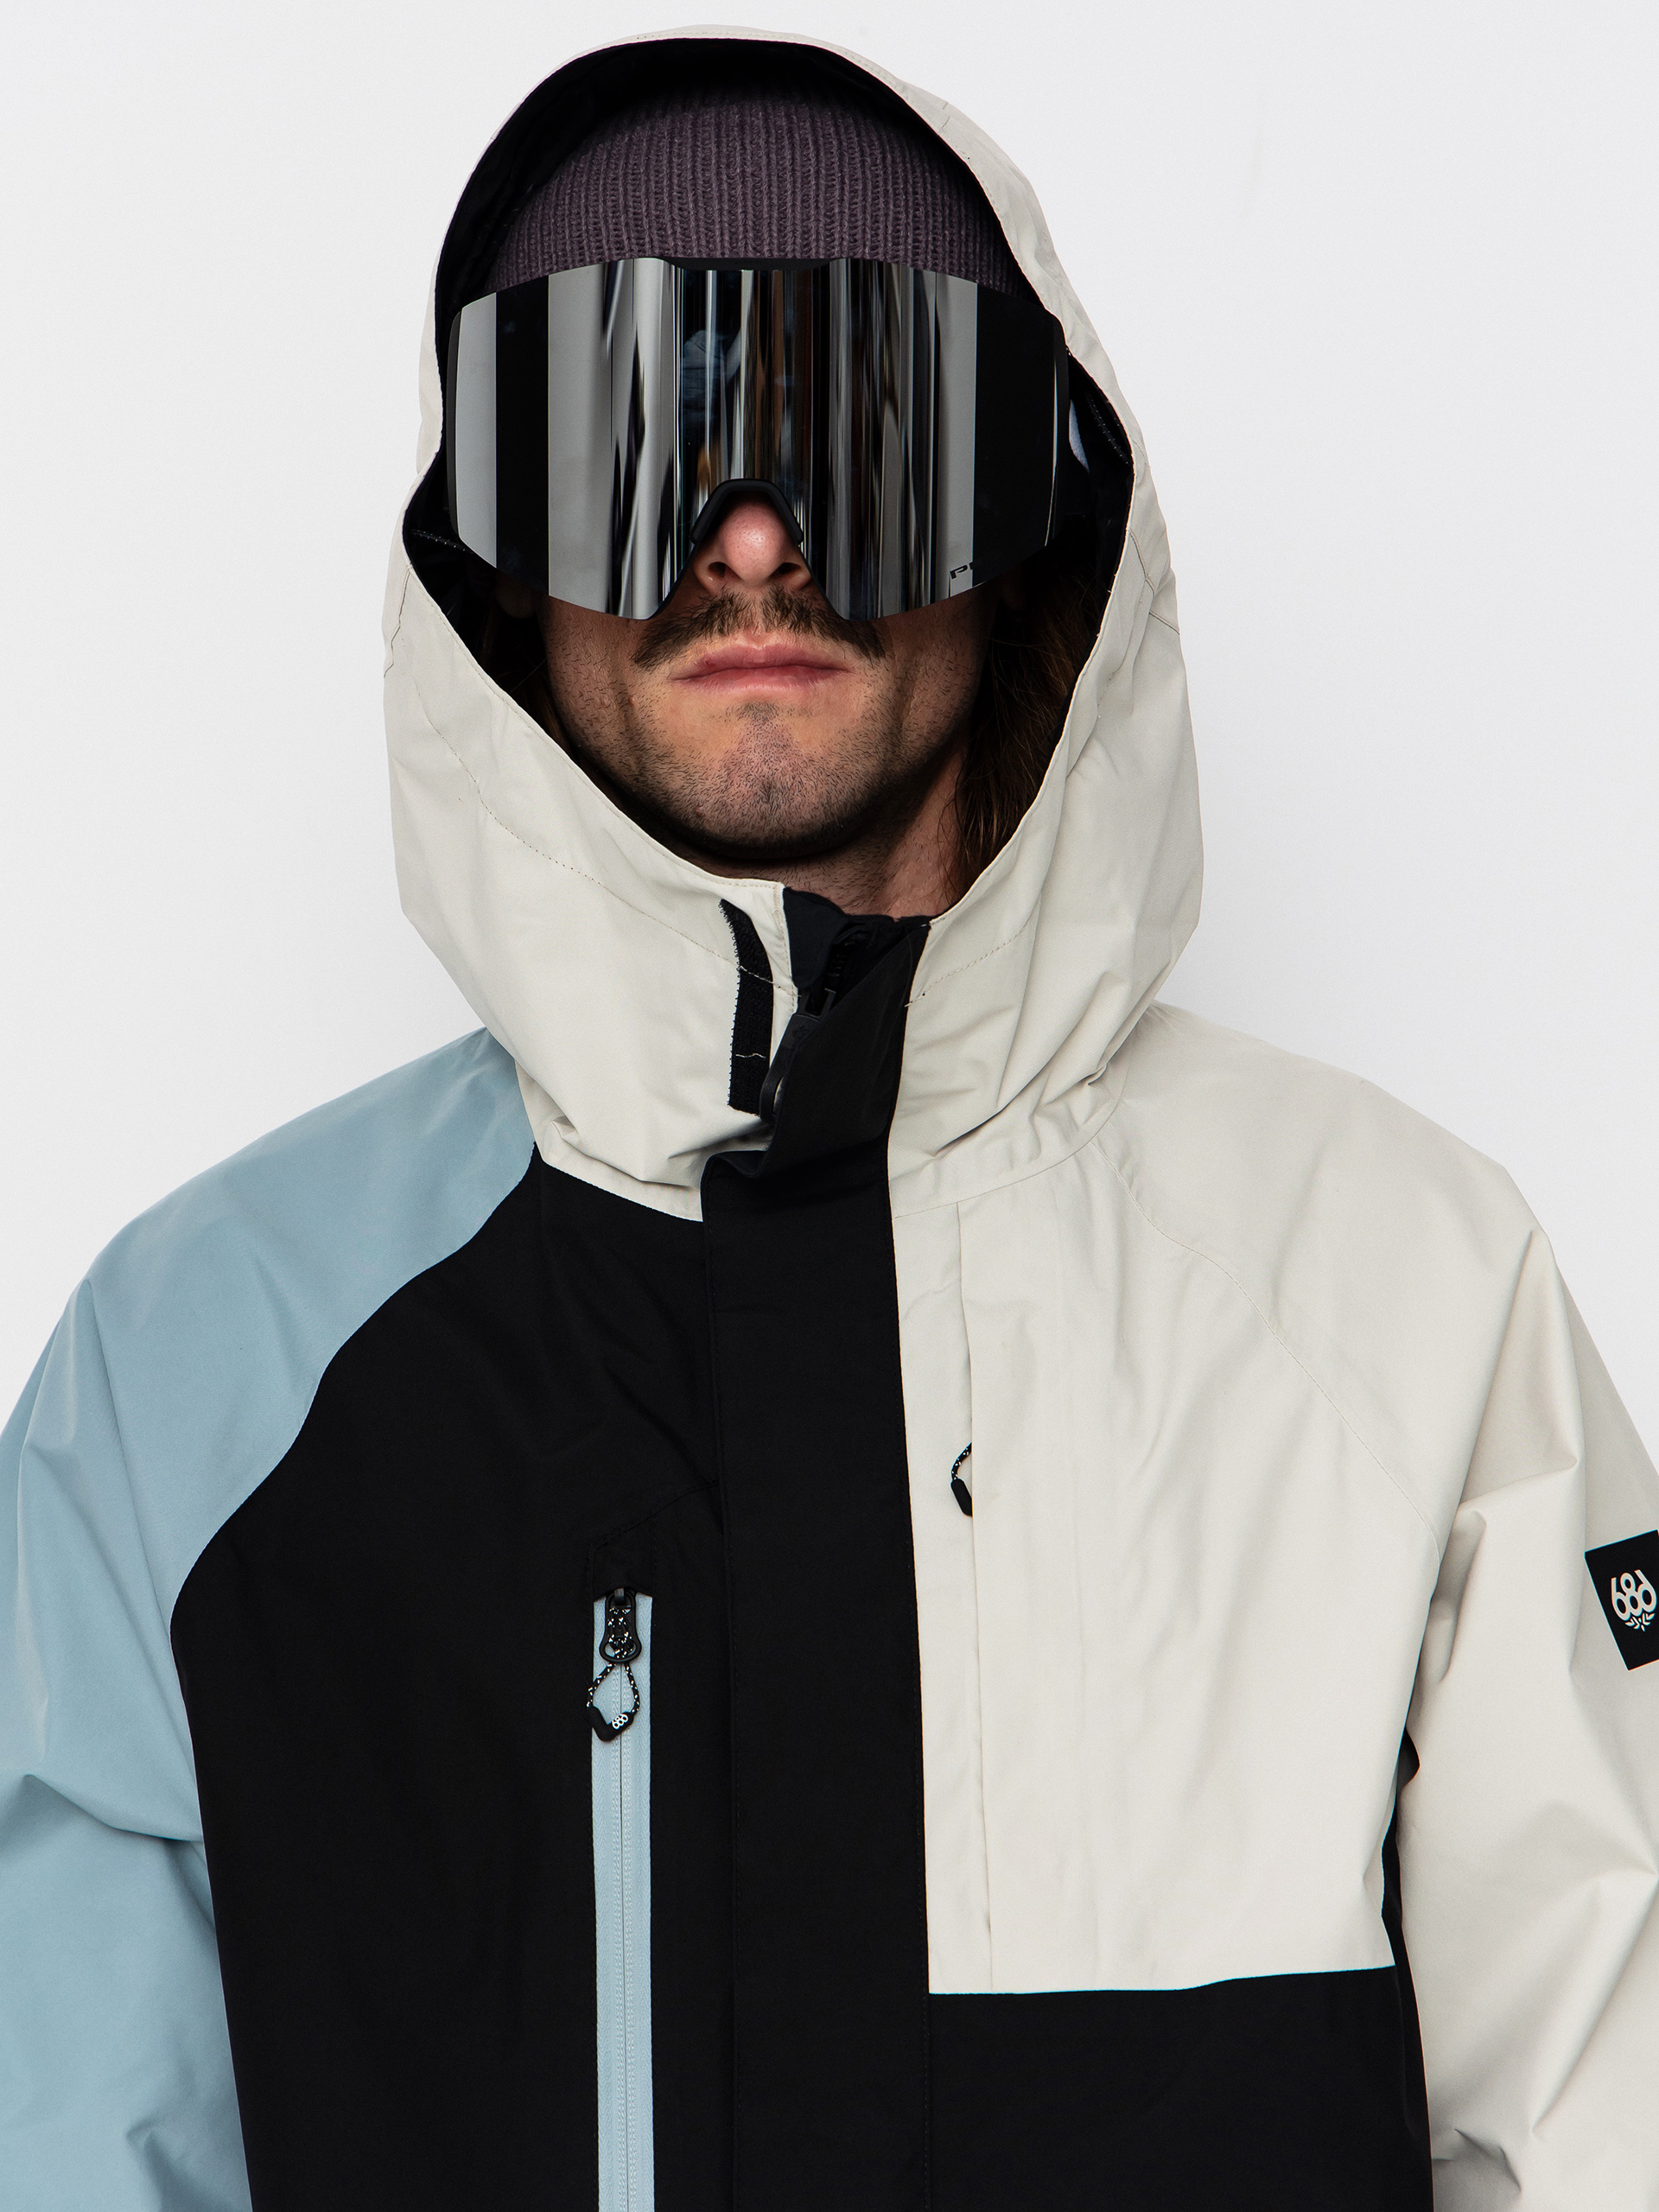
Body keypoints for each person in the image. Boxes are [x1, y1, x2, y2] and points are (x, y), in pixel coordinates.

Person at [3, 29, 1654, 2212]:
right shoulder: (200, 1372)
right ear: (495, 555)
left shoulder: (1401, 1295)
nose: (754, 535)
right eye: (625, 430)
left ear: (1031, 503)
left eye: (867, 423)